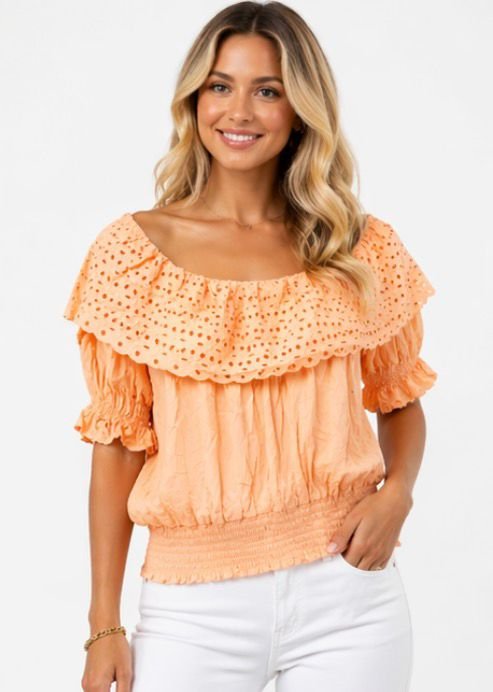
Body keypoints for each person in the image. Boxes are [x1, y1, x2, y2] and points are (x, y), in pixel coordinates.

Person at [63, 2, 438, 691]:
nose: (238, 111)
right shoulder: (132, 254)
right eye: (220, 86)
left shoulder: (357, 247)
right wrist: (104, 624)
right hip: (192, 610)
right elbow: (116, 447)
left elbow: (399, 397)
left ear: (301, 109)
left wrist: (398, 495)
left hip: (350, 598)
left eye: (267, 90)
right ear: (194, 99)